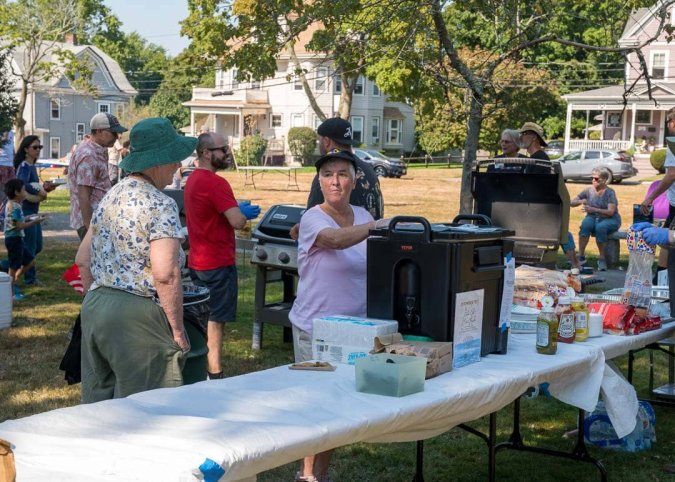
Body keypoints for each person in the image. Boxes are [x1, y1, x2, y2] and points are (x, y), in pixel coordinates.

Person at [75, 117, 194, 403]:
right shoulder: (160, 203)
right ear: (157, 162)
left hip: (96, 307)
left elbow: (82, 259)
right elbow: (165, 273)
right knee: (147, 410)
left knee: (98, 408)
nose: (178, 165)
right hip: (137, 315)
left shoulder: (111, 195)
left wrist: (97, 303)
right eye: (174, 158)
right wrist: (177, 330)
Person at [289, 149, 386, 482]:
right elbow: (333, 241)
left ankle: (323, 472)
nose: (335, 181)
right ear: (319, 180)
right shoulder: (315, 218)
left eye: (342, 174)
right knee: (313, 404)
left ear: (355, 180)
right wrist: (376, 226)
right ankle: (306, 474)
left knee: (337, 406)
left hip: (355, 330)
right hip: (313, 329)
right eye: (328, 174)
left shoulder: (361, 214)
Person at [184, 132, 260, 380]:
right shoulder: (217, 183)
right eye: (222, 149)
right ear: (206, 153)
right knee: (215, 320)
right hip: (218, 262)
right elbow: (237, 221)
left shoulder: (194, 180)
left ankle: (199, 366)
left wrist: (233, 205)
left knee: (200, 318)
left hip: (198, 260)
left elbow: (211, 211)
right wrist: (243, 213)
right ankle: (214, 373)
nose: (226, 153)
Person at [307, 117, 383, 220]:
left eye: (319, 139)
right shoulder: (369, 169)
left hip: (343, 235)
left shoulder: (328, 176)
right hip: (373, 233)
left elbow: (312, 217)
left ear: (326, 141)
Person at [68, 113, 127, 240]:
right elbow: (83, 195)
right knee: (92, 259)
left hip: (99, 219)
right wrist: (90, 231)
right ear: (99, 131)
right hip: (90, 222)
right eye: (113, 133)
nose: (117, 137)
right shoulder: (88, 155)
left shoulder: (98, 149)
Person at [14, 135, 55, 285]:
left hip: (33, 211)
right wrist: (39, 192)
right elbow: (23, 184)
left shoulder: (31, 166)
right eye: (35, 147)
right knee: (31, 247)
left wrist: (45, 188)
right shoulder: (24, 166)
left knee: (37, 246)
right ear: (26, 149)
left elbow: (34, 187)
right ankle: (29, 278)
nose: (38, 150)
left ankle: (14, 265)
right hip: (26, 212)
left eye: (40, 147)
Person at [641, 107, 675, 279]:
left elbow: (671, 174)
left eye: (668, 121)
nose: (668, 125)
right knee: (667, 243)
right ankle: (661, 280)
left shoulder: (673, 143)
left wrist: (651, 198)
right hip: (673, 202)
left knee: (668, 241)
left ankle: (662, 282)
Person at [570, 167, 621, 271]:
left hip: (610, 218)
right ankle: (581, 256)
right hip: (593, 217)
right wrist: (580, 201)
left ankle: (602, 258)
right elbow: (571, 203)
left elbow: (611, 212)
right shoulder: (588, 190)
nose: (593, 180)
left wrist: (594, 209)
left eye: (596, 178)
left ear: (604, 180)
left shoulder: (610, 192)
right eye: (592, 177)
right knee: (585, 225)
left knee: (600, 227)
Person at [3, 179, 45, 299]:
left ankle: (14, 280)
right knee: (13, 266)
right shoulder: (13, 206)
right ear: (17, 192)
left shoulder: (15, 205)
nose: (25, 192)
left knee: (30, 262)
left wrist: (30, 217)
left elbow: (19, 220)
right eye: (23, 190)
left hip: (17, 238)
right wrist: (35, 222)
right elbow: (19, 226)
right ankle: (10, 292)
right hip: (14, 239)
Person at [0, 130, 15, 203]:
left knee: (12, 187)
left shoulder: (11, 132)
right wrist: (4, 137)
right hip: (1, 163)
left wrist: (13, 160)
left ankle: (7, 208)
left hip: (10, 164)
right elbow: (3, 140)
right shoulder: (1, 129)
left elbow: (12, 146)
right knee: (2, 188)